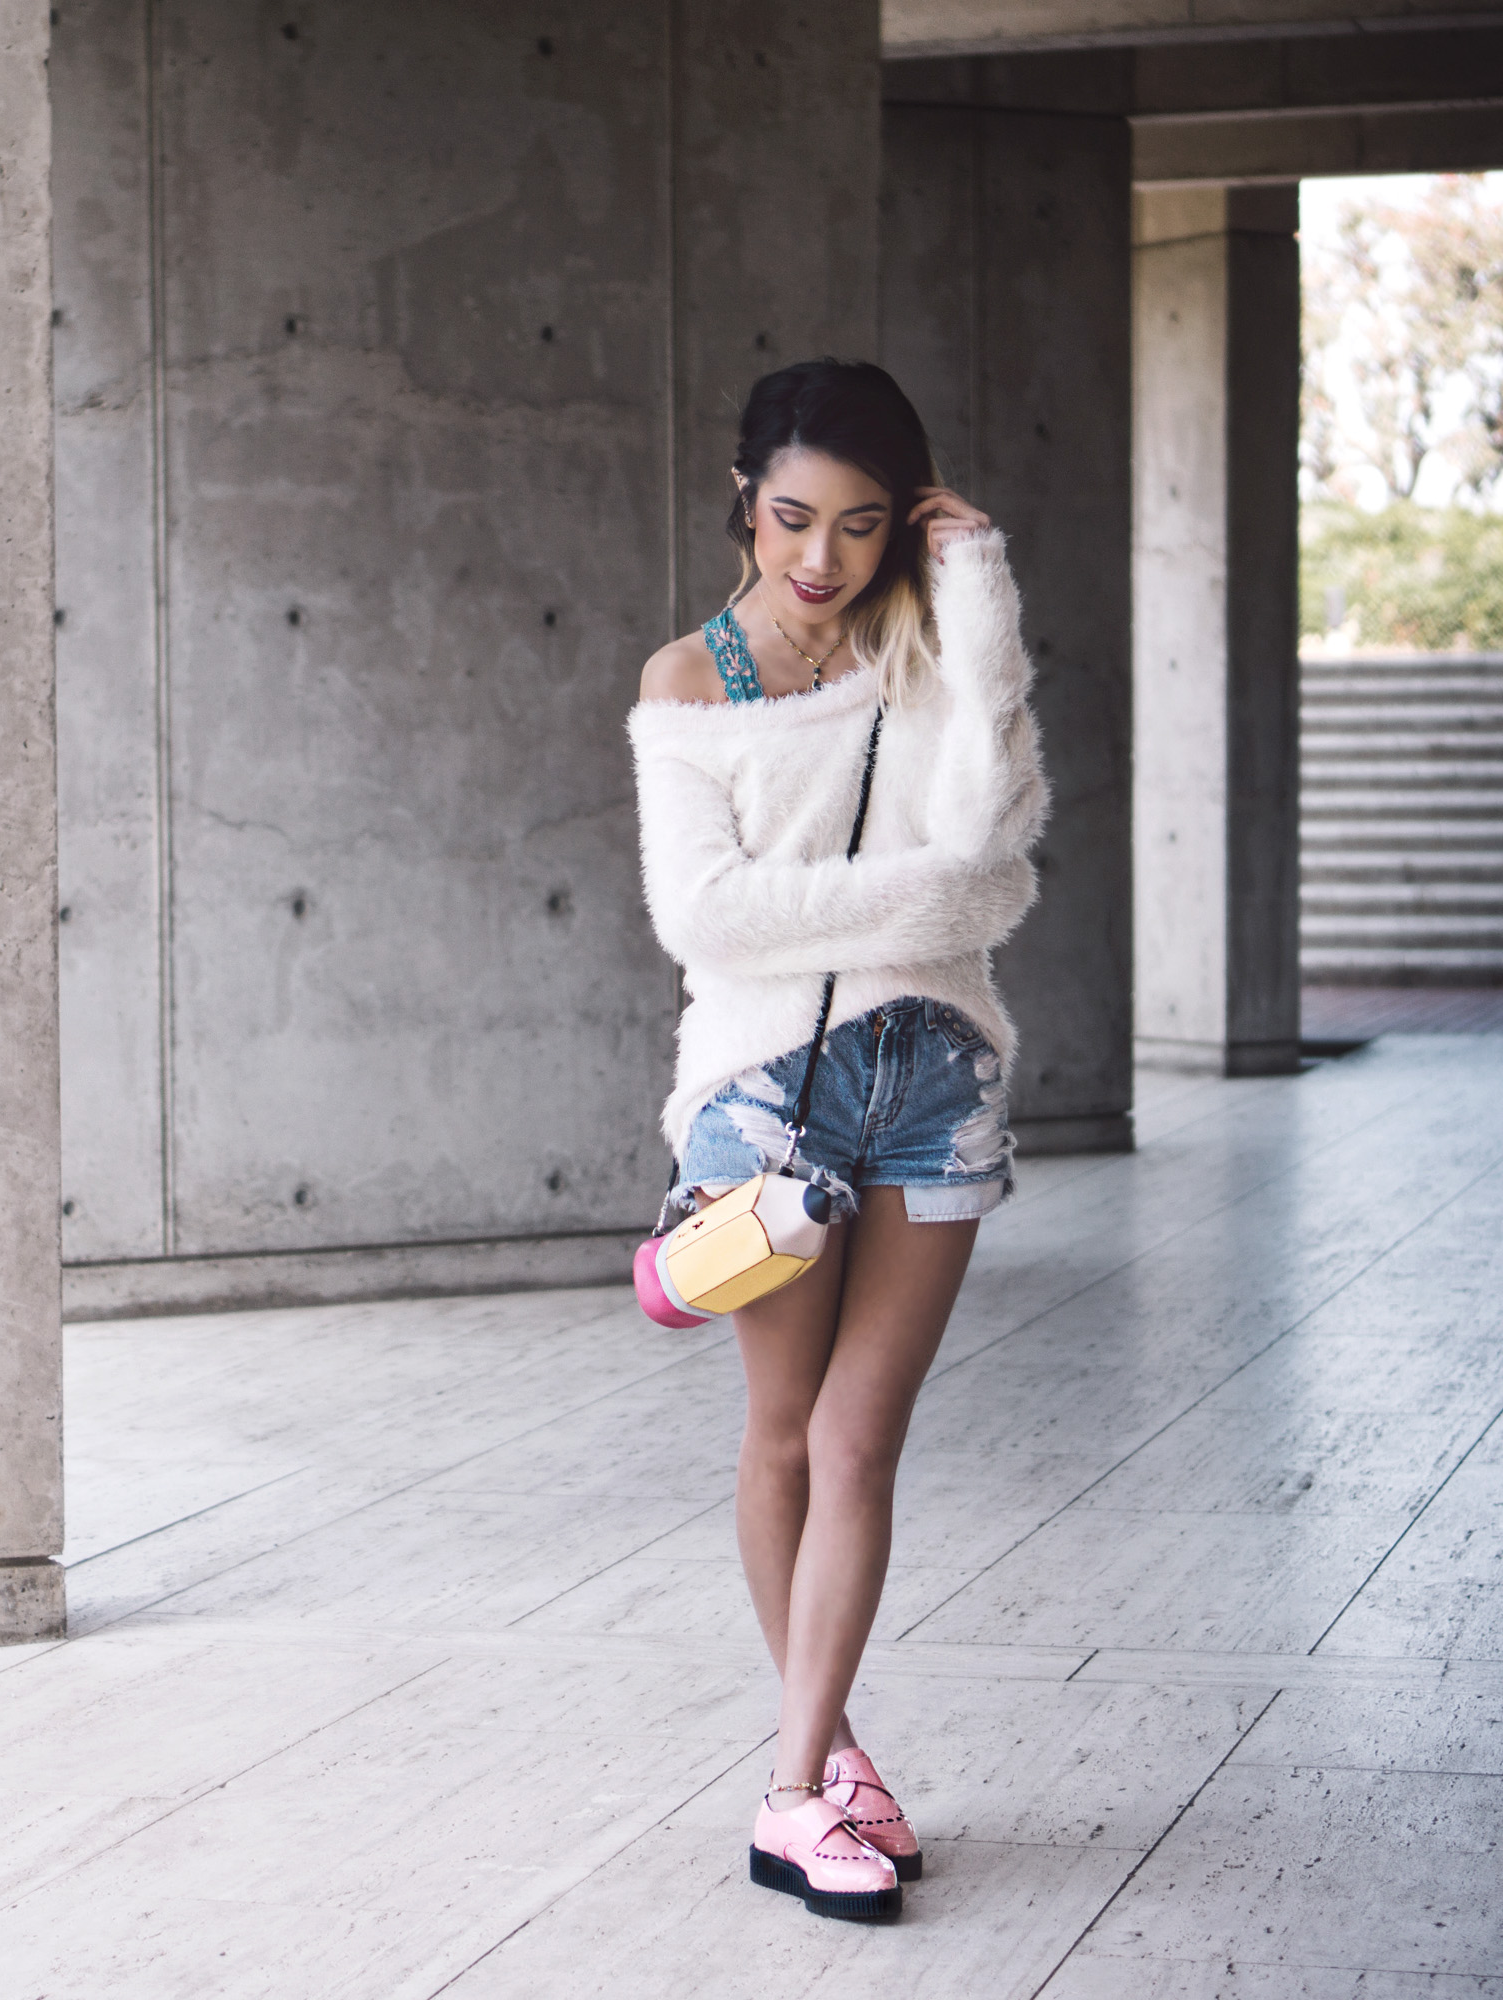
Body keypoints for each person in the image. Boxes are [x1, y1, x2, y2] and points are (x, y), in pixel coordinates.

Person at [630, 359, 1048, 1922]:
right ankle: (816, 1780)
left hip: (941, 1076)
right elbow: (705, 919)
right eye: (796, 517)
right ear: (745, 500)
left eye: (864, 526)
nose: (823, 557)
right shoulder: (689, 681)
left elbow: (994, 851)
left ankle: (806, 1781)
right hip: (765, 1096)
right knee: (787, 1432)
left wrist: (980, 586)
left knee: (865, 1443)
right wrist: (914, 900)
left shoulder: (928, 652)